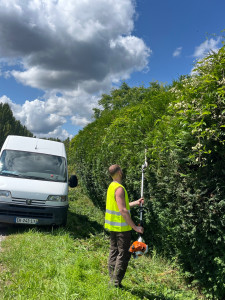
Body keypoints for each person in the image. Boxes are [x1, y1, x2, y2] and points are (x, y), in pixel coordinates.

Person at [105, 164, 144, 288]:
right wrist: (135, 227)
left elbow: (123, 206)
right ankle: (116, 283)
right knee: (123, 254)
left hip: (113, 227)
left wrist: (136, 203)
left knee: (114, 251)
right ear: (119, 172)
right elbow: (123, 211)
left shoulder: (112, 186)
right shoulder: (120, 188)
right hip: (122, 229)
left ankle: (112, 279)